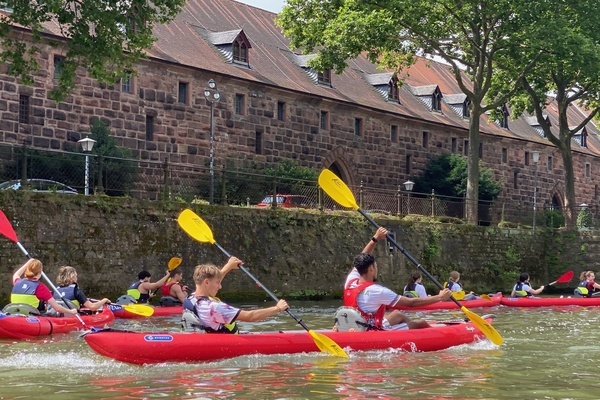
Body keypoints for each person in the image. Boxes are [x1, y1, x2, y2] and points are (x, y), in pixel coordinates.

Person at [342, 227, 453, 330]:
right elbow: (411, 303)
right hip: (372, 331)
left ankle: (411, 330)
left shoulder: (350, 281)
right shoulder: (377, 291)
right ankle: (429, 332)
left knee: (397, 314)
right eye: (376, 266)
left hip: (359, 326)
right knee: (421, 323)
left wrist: (375, 238)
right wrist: (439, 297)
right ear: (371, 269)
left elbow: (361, 259)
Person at [182, 256, 289, 334]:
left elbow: (211, 281)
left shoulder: (191, 298)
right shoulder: (214, 307)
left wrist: (228, 266)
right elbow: (250, 316)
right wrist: (277, 308)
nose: (220, 287)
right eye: (218, 283)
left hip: (205, 338)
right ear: (206, 282)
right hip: (227, 343)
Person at [10, 258, 77, 316]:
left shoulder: (17, 282)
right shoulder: (40, 287)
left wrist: (28, 263)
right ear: (40, 272)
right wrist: (71, 311)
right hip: (31, 317)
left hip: (14, 314)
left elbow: (16, 274)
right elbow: (57, 308)